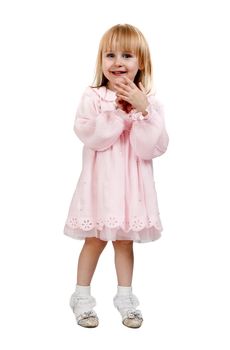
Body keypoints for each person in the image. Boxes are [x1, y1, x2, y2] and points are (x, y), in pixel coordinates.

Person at [64, 23, 169, 328]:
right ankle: (81, 296)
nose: (118, 62)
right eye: (110, 55)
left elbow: (153, 147)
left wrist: (143, 111)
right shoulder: (93, 96)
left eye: (127, 55)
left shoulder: (150, 102)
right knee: (94, 239)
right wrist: (119, 116)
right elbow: (90, 135)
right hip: (100, 185)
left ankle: (125, 298)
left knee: (124, 242)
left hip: (130, 189)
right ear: (101, 61)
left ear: (142, 63)